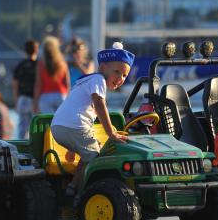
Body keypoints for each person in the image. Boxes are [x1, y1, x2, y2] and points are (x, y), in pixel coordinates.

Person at [50, 42, 134, 195]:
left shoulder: (85, 82)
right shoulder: (98, 80)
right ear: (102, 68)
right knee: (96, 159)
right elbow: (100, 105)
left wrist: (71, 147)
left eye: (124, 75)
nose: (120, 78)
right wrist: (112, 134)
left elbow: (76, 109)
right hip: (74, 127)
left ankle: (72, 187)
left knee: (90, 150)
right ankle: (85, 195)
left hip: (58, 127)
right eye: (117, 72)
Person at [33, 36, 70, 114]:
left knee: (49, 122)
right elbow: (67, 83)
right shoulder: (62, 63)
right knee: (61, 122)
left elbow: (38, 85)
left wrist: (35, 103)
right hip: (61, 95)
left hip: (45, 98)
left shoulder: (40, 64)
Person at [12, 39, 39, 139]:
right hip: (36, 99)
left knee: (22, 129)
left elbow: (15, 85)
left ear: (25, 50)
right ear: (36, 50)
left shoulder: (20, 65)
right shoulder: (39, 65)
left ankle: (21, 150)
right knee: (36, 128)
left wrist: (15, 101)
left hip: (23, 99)